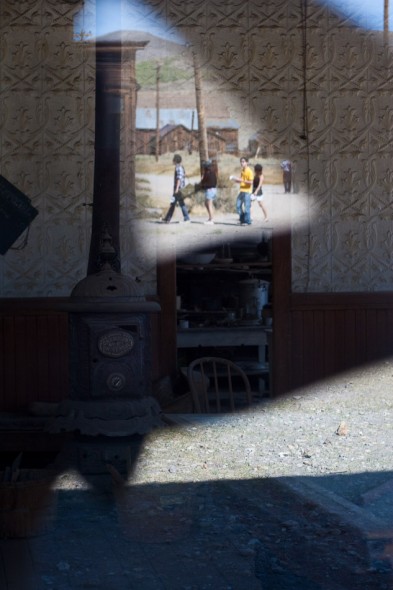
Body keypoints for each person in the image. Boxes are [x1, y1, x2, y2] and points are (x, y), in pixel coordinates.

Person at [162, 154, 190, 223]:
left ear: (175, 160)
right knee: (176, 203)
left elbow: (179, 179)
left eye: (173, 159)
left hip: (179, 190)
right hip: (180, 189)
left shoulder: (178, 168)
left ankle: (186, 218)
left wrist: (176, 189)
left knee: (174, 203)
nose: (172, 160)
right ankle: (167, 218)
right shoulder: (181, 167)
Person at [230, 156, 254, 225]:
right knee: (238, 205)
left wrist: (242, 180)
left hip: (247, 192)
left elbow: (251, 182)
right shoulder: (242, 170)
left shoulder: (249, 171)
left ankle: (247, 221)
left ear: (247, 162)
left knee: (247, 207)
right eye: (241, 162)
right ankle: (242, 220)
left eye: (243, 161)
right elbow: (240, 180)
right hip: (242, 191)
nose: (241, 163)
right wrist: (234, 179)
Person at [198, 159, 217, 224]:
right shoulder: (210, 172)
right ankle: (210, 218)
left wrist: (203, 185)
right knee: (206, 204)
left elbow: (210, 183)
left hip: (210, 190)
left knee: (209, 204)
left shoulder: (209, 173)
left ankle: (211, 220)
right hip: (212, 190)